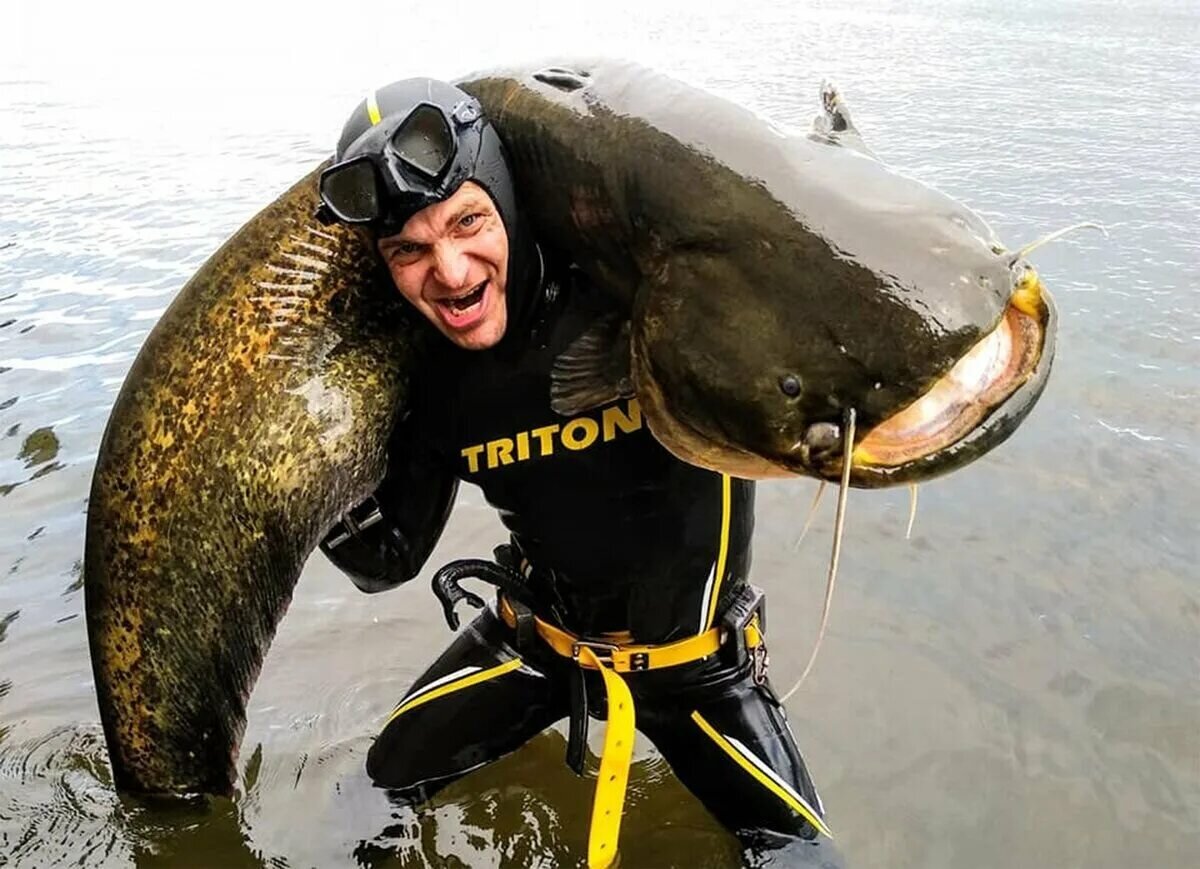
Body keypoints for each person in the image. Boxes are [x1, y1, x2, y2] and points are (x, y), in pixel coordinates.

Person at [315, 77, 835, 866]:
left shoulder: (637, 300)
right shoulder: (426, 377)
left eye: (468, 222)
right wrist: (321, 497)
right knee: (366, 800)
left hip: (696, 667)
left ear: (510, 205)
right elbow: (391, 558)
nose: (451, 273)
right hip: (539, 639)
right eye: (409, 251)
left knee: (801, 853)